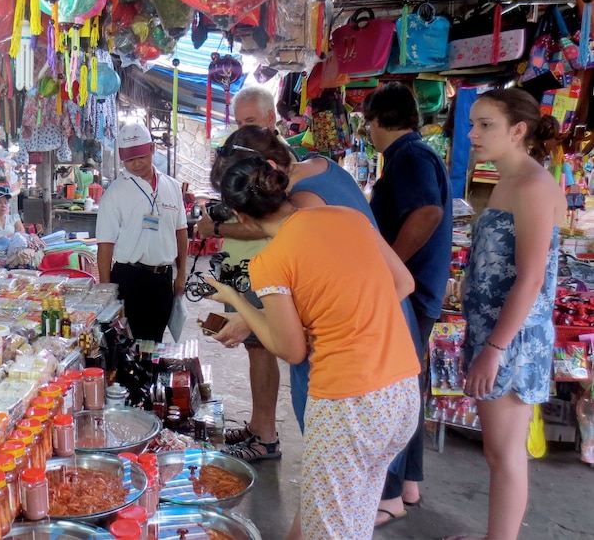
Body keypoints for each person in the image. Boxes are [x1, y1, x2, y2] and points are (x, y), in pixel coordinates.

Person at [205, 158, 420, 540]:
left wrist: (239, 302)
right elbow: (402, 283)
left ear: (241, 216)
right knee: (348, 517)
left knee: (333, 529)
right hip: (401, 393)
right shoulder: (347, 217)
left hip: (348, 406)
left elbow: (290, 350)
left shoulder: (271, 261)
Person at [443, 90, 564, 540]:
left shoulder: (532, 186)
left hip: (511, 338)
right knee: (499, 451)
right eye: (473, 124)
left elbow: (531, 280)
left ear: (518, 130)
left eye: (485, 125)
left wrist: (494, 349)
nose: (472, 134)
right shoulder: (507, 181)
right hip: (495, 332)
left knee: (505, 452)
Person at [364, 82, 453, 521]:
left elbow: (428, 213)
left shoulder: (411, 156)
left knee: (389, 391)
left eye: (368, 122)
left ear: (381, 121)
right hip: (419, 289)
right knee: (407, 387)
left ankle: (389, 495)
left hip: (410, 291)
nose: (367, 131)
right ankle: (410, 484)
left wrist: (390, 266)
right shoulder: (413, 155)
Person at [194, 86, 297, 461]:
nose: (240, 132)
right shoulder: (249, 157)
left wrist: (216, 230)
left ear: (271, 120)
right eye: (237, 124)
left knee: (262, 349)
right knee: (254, 350)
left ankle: (266, 436)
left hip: (263, 267)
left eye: (249, 122)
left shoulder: (274, 163)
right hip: (244, 266)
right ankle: (258, 425)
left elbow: (263, 225)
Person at [96, 122, 188, 342]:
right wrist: (107, 291)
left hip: (163, 279)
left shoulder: (172, 186)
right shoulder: (114, 193)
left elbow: (181, 232)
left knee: (155, 341)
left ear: (152, 149)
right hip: (130, 278)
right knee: (130, 344)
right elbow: (105, 246)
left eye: (141, 157)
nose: (136, 164)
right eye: (130, 160)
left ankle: (152, 376)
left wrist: (181, 273)